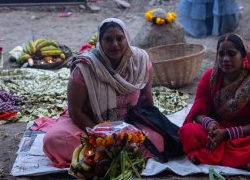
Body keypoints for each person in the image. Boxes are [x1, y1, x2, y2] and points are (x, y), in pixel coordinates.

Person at [43, 18, 164, 168]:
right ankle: (116, 153)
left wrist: (152, 123)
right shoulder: (85, 68)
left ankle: (105, 156)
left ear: (127, 38)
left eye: (120, 38)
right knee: (56, 140)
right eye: (108, 39)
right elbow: (76, 111)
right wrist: (102, 136)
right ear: (100, 42)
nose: (115, 44)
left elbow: (146, 96)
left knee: (158, 139)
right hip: (90, 122)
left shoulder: (141, 61)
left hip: (128, 122)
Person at [178, 33, 250, 167]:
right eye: (221, 54)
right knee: (188, 130)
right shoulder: (210, 77)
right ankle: (241, 160)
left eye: (231, 54)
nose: (225, 59)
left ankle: (207, 155)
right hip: (216, 132)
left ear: (243, 55)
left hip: (247, 134)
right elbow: (198, 113)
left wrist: (227, 134)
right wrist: (210, 124)